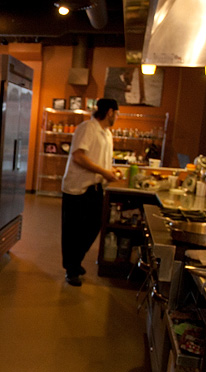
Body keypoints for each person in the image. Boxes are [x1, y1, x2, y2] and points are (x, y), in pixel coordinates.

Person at [61, 98, 120, 286]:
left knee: (95, 225)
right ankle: (71, 270)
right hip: (78, 188)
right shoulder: (88, 128)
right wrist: (104, 172)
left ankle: (75, 260)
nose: (117, 117)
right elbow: (78, 156)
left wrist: (110, 171)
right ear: (110, 112)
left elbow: (101, 159)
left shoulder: (107, 133)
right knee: (73, 230)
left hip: (96, 187)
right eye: (116, 113)